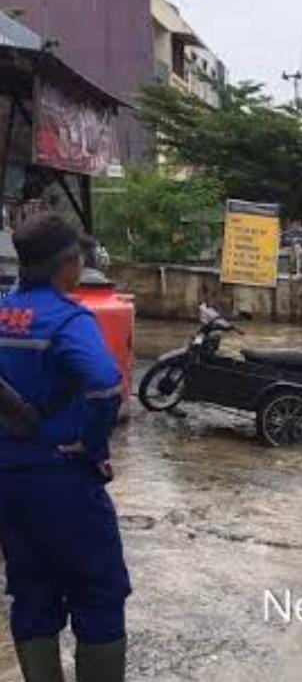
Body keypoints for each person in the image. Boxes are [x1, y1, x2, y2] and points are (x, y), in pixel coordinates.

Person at [0, 214, 129, 682]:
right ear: (68, 265)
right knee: (100, 594)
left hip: (9, 485)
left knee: (32, 594)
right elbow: (104, 386)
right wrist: (92, 444)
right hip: (62, 479)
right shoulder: (68, 318)